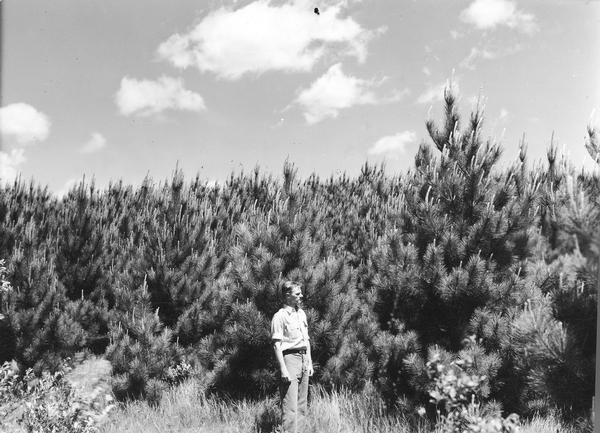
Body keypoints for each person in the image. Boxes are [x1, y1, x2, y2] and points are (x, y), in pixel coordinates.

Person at [271, 281, 313, 433]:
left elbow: (306, 340)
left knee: (302, 405)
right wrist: (283, 369)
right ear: (287, 295)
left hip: (303, 360)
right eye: (297, 294)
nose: (301, 296)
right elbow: (277, 345)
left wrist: (310, 362)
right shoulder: (279, 316)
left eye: (300, 293)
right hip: (290, 360)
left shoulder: (301, 314)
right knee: (290, 407)